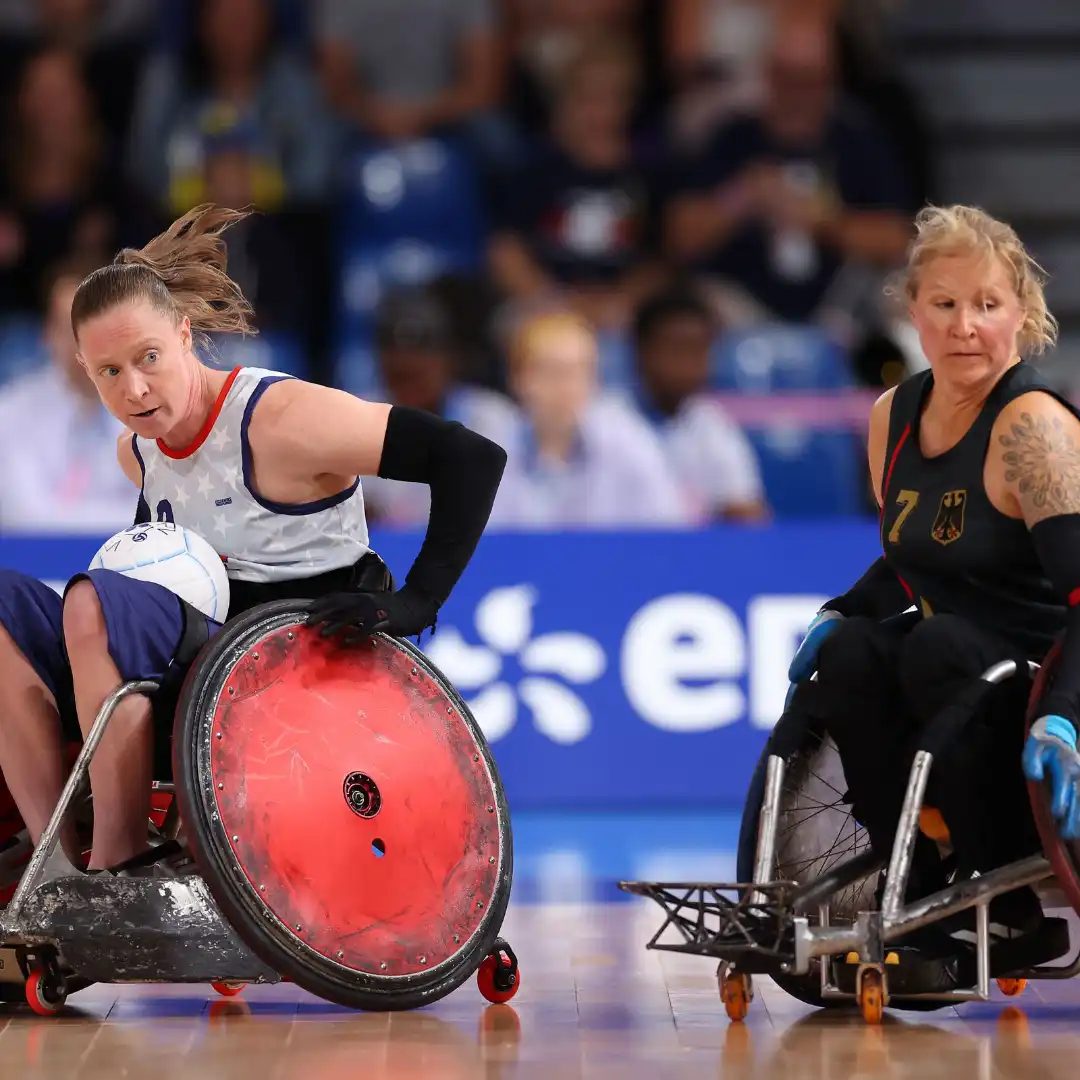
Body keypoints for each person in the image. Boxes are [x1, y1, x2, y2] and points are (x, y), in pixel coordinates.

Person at [0, 204, 507, 874]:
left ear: (184, 335)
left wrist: (419, 600)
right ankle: (54, 858)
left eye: (148, 358)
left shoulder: (281, 418)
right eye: (110, 372)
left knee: (94, 603)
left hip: (286, 655)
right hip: (195, 660)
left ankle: (120, 859)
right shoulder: (138, 452)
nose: (135, 388)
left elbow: (471, 458)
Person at [785, 204, 1080, 976]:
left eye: (987, 305)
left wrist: (1068, 717)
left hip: (1045, 671)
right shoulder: (895, 415)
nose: (965, 326)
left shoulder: (1032, 427)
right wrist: (844, 611)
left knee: (939, 643)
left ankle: (1008, 907)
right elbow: (921, 558)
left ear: (1021, 313)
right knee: (853, 653)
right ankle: (909, 887)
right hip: (949, 665)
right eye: (944, 304)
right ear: (913, 311)